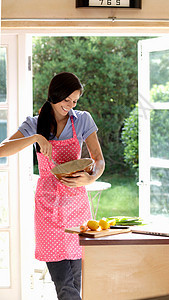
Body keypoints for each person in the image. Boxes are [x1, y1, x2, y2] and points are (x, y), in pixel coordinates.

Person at [0, 72, 105, 300]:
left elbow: (98, 159)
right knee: (64, 284)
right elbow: (2, 149)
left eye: (75, 101)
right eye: (66, 100)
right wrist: (36, 138)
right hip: (48, 210)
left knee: (76, 281)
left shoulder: (83, 120)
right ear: (53, 95)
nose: (70, 106)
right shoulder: (35, 124)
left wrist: (91, 177)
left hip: (76, 207)